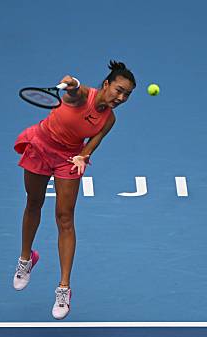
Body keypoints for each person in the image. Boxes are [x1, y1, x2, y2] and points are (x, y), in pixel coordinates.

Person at [12, 60, 136, 319]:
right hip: (41, 146)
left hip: (69, 158)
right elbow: (74, 89)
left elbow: (95, 140)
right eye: (119, 90)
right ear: (106, 84)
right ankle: (26, 259)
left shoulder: (109, 119)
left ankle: (64, 288)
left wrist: (83, 155)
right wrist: (73, 83)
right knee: (34, 202)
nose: (121, 97)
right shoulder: (81, 97)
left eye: (127, 94)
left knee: (65, 218)